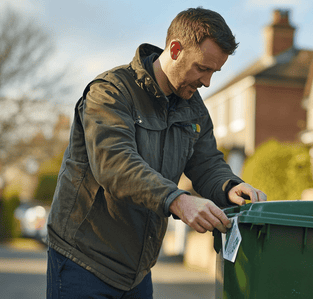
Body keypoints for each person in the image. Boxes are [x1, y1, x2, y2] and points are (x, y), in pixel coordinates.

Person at [46, 7, 266, 298]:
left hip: (136, 272)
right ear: (175, 49)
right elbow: (114, 163)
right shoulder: (110, 92)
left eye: (215, 71)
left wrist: (231, 186)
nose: (208, 82)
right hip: (83, 261)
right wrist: (179, 201)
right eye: (202, 68)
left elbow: (207, 163)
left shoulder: (193, 108)